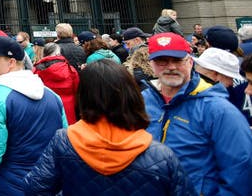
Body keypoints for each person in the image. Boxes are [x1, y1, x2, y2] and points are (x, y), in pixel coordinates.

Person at [24, 60, 195, 195]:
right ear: (131, 94)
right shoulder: (161, 155)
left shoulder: (63, 140)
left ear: (84, 95)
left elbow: (35, 188)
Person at [141, 32, 252, 195]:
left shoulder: (218, 109)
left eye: (177, 60)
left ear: (190, 61)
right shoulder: (139, 103)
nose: (171, 67)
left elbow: (240, 171)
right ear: (151, 64)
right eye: (162, 61)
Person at [0, 36, 67, 195]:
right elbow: (64, 139)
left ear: (11, 63)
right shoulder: (53, 95)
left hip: (7, 184)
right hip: (49, 183)